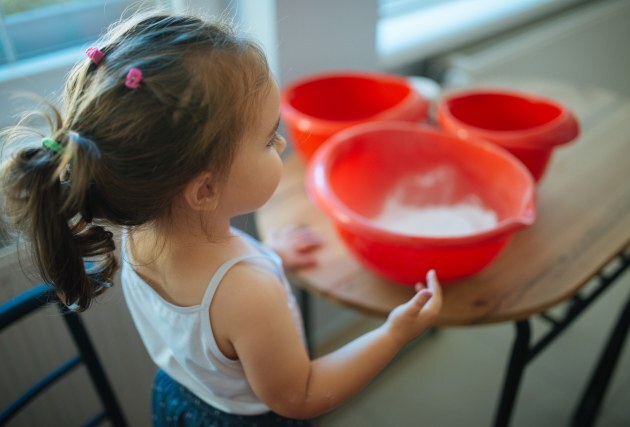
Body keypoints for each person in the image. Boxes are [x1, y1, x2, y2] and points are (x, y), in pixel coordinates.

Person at [0, 12, 442, 426]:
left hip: (178, 400)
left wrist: (267, 256)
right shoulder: (248, 292)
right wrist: (394, 333)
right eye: (269, 139)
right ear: (205, 191)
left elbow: (211, 319)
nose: (283, 146)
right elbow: (300, 394)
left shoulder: (141, 228)